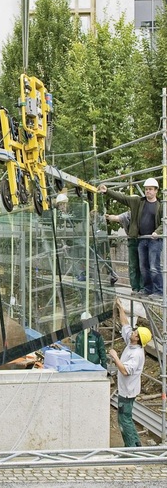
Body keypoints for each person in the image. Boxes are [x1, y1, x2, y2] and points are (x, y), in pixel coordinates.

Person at [98, 179, 162, 300]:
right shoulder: (138, 201)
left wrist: (157, 232)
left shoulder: (161, 205)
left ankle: (159, 292)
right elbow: (122, 197)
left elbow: (164, 222)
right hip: (141, 239)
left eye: (150, 189)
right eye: (146, 189)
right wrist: (107, 191)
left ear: (156, 191)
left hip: (154, 239)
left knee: (154, 266)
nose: (148, 191)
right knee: (143, 267)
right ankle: (147, 290)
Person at [108, 301, 152, 447]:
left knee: (124, 419)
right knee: (126, 417)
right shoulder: (131, 343)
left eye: (135, 333)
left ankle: (131, 448)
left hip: (127, 392)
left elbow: (125, 371)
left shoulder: (137, 354)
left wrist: (115, 356)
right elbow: (125, 324)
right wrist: (120, 309)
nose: (132, 332)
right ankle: (135, 443)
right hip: (126, 390)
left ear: (138, 338)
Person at [105, 211, 143, 293]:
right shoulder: (128, 214)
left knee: (143, 265)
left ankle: (143, 288)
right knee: (133, 265)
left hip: (144, 240)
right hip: (132, 240)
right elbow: (116, 217)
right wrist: (106, 216)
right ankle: (135, 288)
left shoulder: (144, 212)